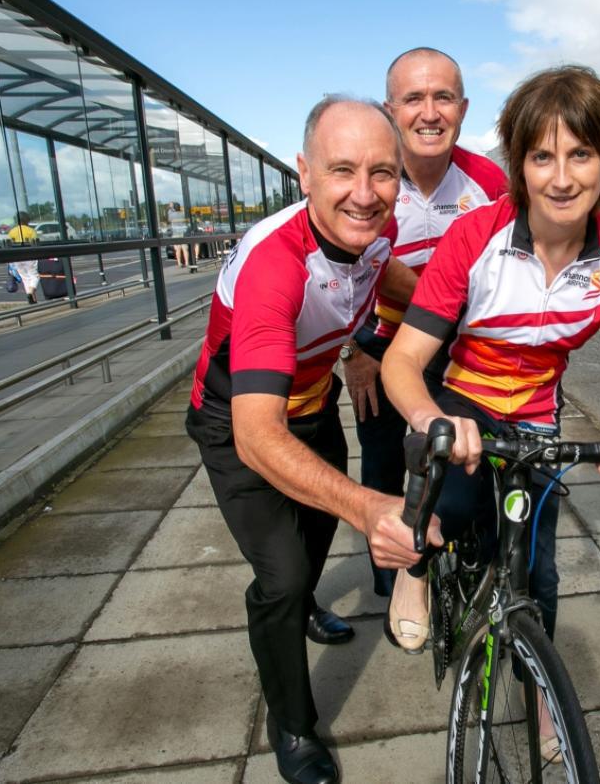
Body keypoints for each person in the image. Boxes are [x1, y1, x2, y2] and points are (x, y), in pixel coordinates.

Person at [381, 65, 600, 762]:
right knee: (448, 499)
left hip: (534, 413)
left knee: (540, 577)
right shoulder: (473, 238)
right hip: (463, 393)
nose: (561, 178)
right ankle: (415, 567)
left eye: (580, 155)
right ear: (519, 166)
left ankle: (539, 699)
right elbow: (403, 363)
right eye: (542, 157)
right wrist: (428, 419)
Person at [184, 96, 437, 784]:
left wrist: (463, 323)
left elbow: (395, 281)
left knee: (315, 537)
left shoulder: (373, 234)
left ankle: (307, 606)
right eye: (342, 171)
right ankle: (292, 723)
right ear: (303, 173)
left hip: (314, 406)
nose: (364, 194)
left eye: (382, 173)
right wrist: (368, 508)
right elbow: (257, 436)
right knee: (283, 574)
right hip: (237, 420)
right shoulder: (276, 264)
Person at [341, 48, 507, 598]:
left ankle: (464, 575)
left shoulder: (490, 180)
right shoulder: (372, 181)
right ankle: (393, 587)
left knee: (466, 469)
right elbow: (342, 271)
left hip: (464, 354)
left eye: (442, 97)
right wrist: (356, 350)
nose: (429, 112)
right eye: (413, 98)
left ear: (463, 107)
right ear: (391, 109)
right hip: (384, 346)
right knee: (387, 466)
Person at [7, 211, 40, 304]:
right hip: (29, 256)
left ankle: (32, 299)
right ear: (27, 220)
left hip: (17, 257)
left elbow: (9, 244)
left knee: (25, 278)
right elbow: (35, 243)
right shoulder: (31, 231)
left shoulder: (12, 232)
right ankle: (30, 293)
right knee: (34, 276)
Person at [166, 202, 191, 267]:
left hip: (175, 233)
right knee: (185, 249)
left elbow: (169, 217)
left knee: (177, 249)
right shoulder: (183, 214)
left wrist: (170, 208)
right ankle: (187, 262)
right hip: (183, 233)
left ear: (174, 208)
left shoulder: (172, 215)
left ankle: (179, 263)